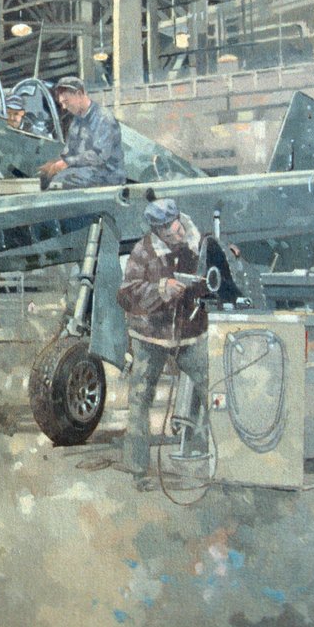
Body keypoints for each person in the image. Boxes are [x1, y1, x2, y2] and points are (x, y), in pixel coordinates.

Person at [116, 198, 209, 485]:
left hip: (190, 333)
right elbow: (126, 295)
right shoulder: (143, 252)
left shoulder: (200, 243)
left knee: (212, 388)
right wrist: (160, 289)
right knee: (140, 398)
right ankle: (137, 469)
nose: (176, 233)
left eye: (176, 225)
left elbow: (219, 270)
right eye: (168, 231)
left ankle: (208, 457)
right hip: (149, 336)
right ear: (157, 231)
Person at [38, 76, 125, 189]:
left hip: (107, 174)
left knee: (61, 180)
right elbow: (68, 152)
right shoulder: (76, 121)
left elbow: (99, 156)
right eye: (62, 103)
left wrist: (67, 163)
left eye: (66, 102)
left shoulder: (103, 118)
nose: (64, 107)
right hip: (85, 171)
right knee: (44, 177)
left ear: (79, 94)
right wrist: (54, 164)